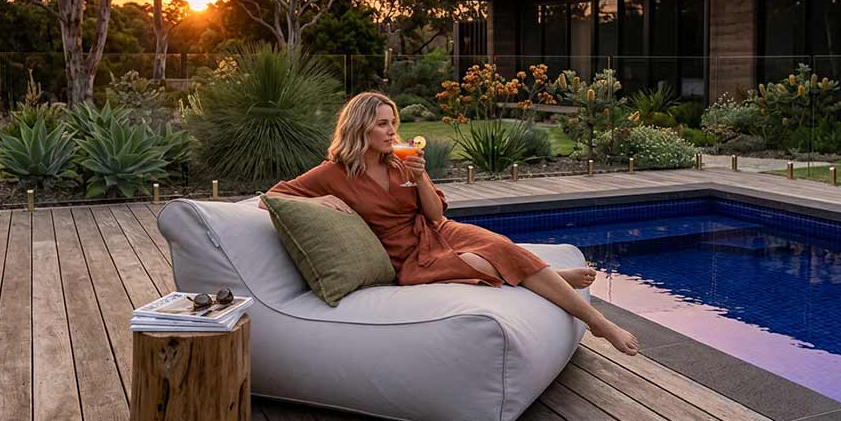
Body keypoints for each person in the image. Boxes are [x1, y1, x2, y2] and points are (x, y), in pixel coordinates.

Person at [261, 92, 640, 355]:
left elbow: (436, 216)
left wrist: (422, 175)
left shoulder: (399, 161)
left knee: (500, 246)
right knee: (484, 264)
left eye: (394, 122)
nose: (393, 131)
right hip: (406, 256)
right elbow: (272, 195)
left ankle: (597, 322)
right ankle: (545, 273)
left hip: (436, 230)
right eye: (382, 124)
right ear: (360, 128)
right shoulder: (334, 172)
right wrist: (322, 197)